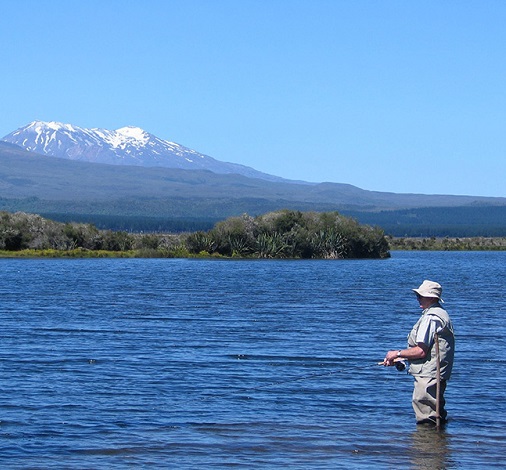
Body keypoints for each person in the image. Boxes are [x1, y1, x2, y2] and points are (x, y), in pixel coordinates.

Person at [384, 280, 455, 425]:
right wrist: (401, 358)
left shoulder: (431, 318)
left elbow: (421, 351)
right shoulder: (440, 313)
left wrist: (396, 354)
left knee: (427, 418)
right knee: (437, 414)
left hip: (428, 375)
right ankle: (438, 444)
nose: (418, 299)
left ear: (431, 297)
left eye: (420, 296)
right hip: (434, 373)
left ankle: (427, 446)